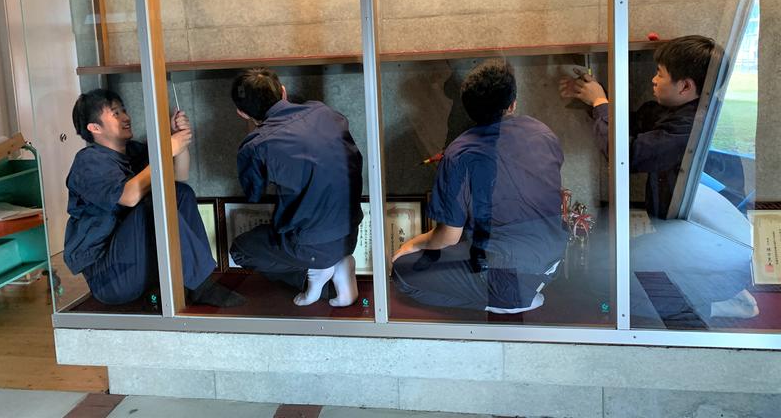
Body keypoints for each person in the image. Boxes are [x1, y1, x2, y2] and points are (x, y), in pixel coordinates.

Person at [391, 60, 566, 313]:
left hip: (506, 272)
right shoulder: (543, 133)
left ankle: (508, 300)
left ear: (467, 108)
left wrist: (414, 244)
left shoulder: (460, 153)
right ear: (512, 103)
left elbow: (448, 237)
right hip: (552, 258)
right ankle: (521, 290)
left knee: (403, 271)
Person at [64, 89, 244, 307]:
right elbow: (129, 197)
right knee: (151, 203)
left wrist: (178, 142)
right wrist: (166, 150)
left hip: (139, 265)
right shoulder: (88, 162)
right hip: (111, 277)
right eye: (115, 113)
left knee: (180, 192)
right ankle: (202, 286)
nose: (126, 117)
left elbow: (179, 175)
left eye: (124, 110)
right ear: (94, 128)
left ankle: (199, 282)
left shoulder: (133, 151)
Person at [229, 68, 363, 307]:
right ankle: (338, 265)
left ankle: (316, 273)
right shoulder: (324, 112)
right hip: (350, 231)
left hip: (310, 244)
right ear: (283, 92)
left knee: (240, 250)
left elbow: (254, 193)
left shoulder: (256, 145)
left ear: (241, 113)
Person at [559, 35, 717, 219]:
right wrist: (594, 96)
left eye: (660, 74)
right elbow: (632, 123)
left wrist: (599, 102)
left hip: (675, 223)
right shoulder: (681, 111)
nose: (654, 79)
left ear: (685, 87)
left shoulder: (689, 126)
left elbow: (626, 155)